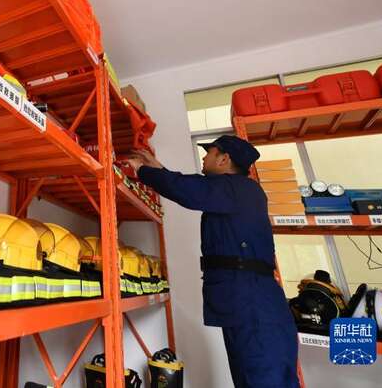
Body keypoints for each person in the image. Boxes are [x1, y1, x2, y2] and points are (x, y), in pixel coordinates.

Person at [128, 135, 299, 388]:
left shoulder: (235, 188)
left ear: (224, 159)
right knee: (253, 377)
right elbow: (188, 185)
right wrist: (158, 169)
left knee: (263, 379)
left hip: (252, 305)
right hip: (249, 301)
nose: (204, 157)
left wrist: (142, 171)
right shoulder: (237, 191)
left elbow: (188, 190)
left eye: (210, 152)